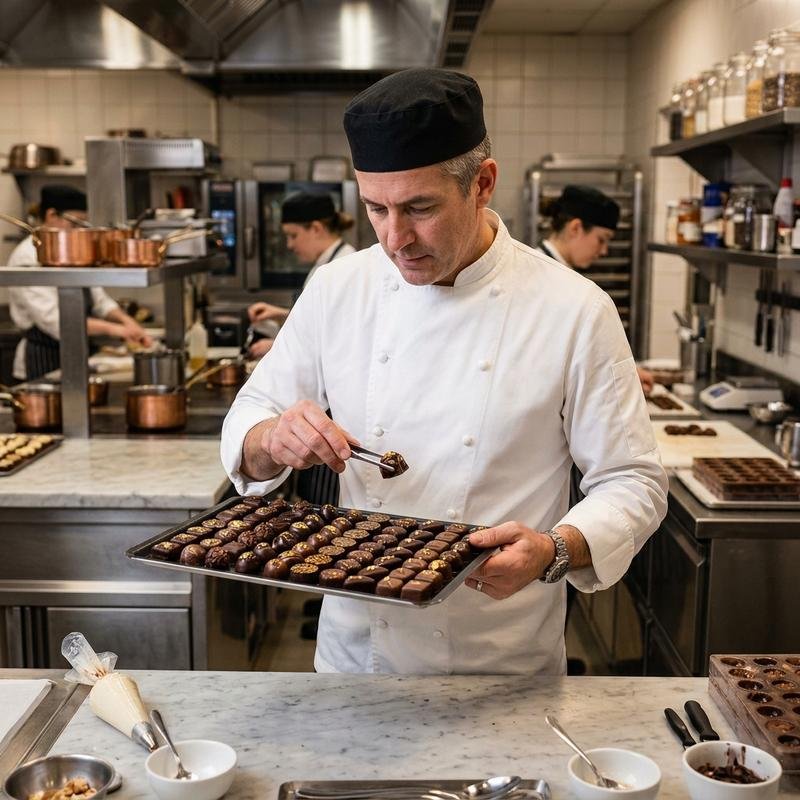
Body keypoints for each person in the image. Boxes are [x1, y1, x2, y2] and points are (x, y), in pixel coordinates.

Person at [221, 68, 668, 675]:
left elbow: (633, 481)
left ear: (483, 183)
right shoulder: (337, 288)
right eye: (375, 209)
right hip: (358, 660)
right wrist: (273, 439)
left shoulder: (575, 309)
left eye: (420, 208)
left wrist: (556, 549)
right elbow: (250, 422)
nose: (395, 238)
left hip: (500, 661)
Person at [8, 186, 152, 381]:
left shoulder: (72, 251)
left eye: (82, 226)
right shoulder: (27, 255)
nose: (78, 232)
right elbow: (56, 322)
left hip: (78, 354)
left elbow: (99, 301)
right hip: (43, 360)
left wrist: (127, 321)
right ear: (51, 215)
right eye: (74, 224)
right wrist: (116, 330)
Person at [537, 185, 654, 395]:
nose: (604, 251)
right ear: (575, 228)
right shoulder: (541, 276)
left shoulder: (559, 274)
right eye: (602, 239)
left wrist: (623, 374)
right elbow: (549, 360)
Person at [247, 191, 355, 359]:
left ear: (316, 229)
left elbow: (341, 337)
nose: (289, 245)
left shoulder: (345, 266)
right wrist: (281, 313)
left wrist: (277, 346)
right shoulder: (325, 262)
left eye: (293, 235)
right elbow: (322, 318)